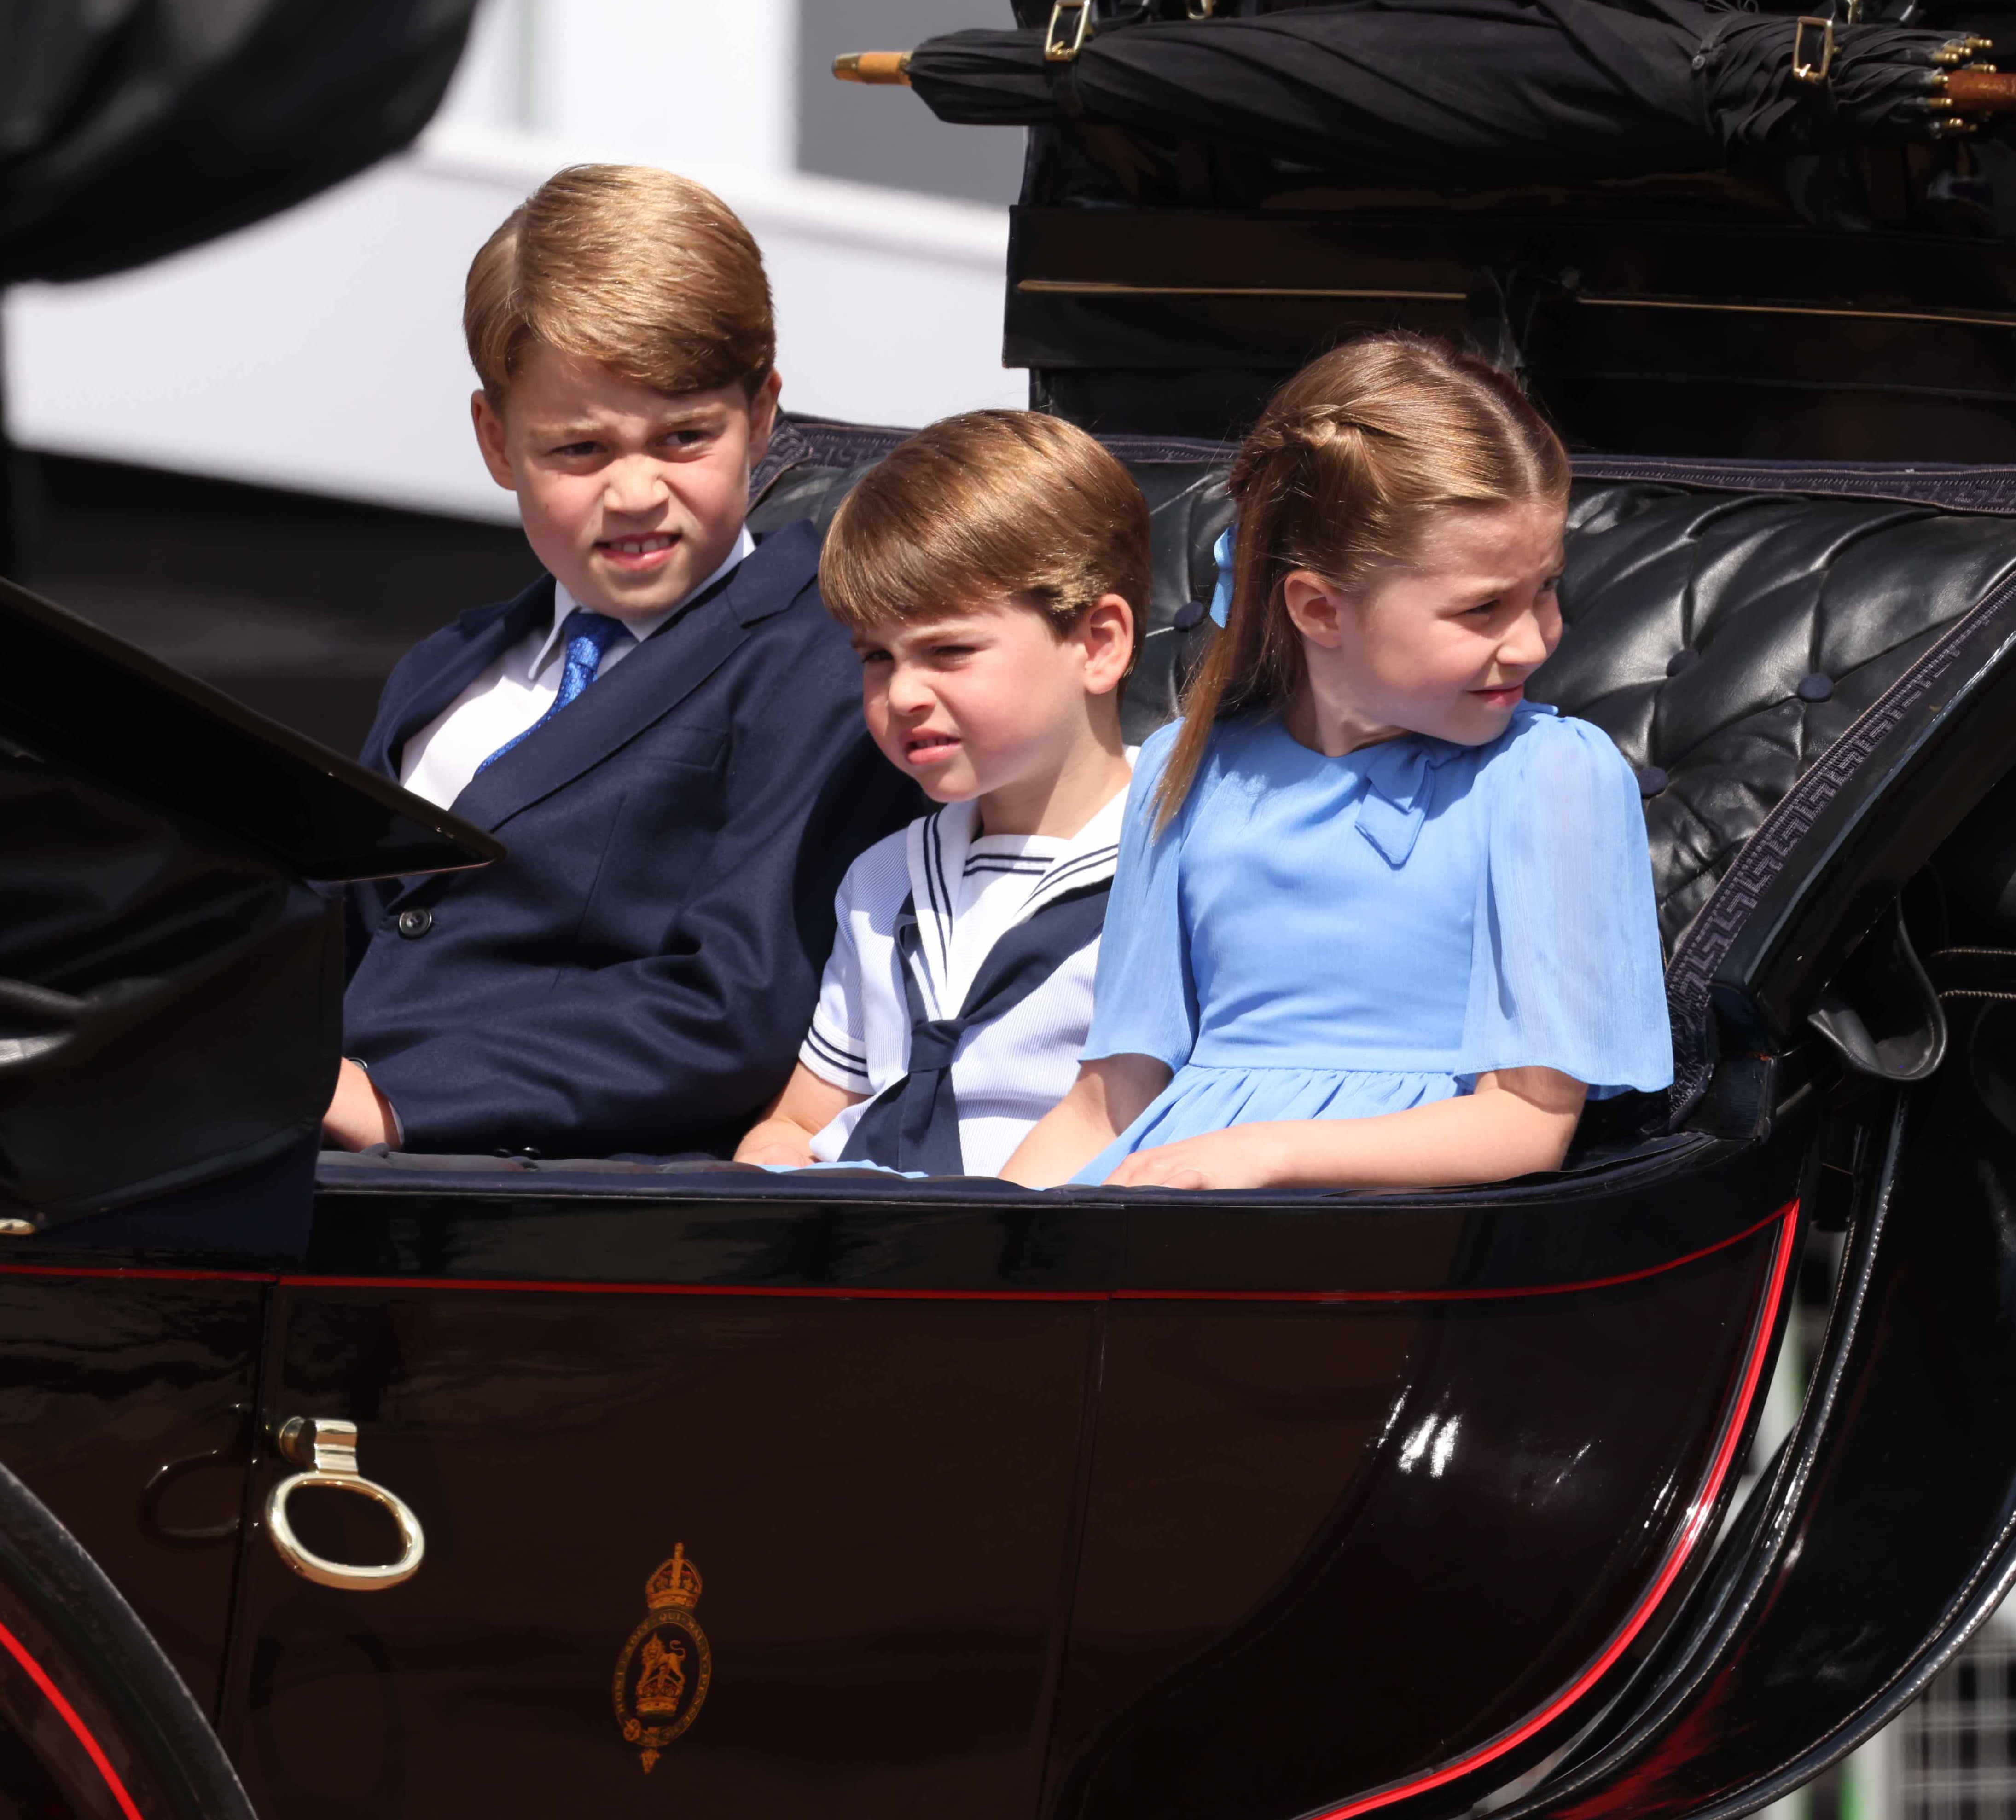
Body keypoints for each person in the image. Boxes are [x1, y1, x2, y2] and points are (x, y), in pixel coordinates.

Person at [326, 165, 918, 1159]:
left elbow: (741, 999)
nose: (638, 490)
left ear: (764, 417)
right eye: (581, 451)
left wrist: (393, 1102)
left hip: (561, 1204)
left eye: (685, 437)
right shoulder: (445, 664)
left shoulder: (831, 655)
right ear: (496, 440)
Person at [1002, 334, 1672, 1192]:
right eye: (1483, 607)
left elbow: (1530, 1119)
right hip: (1167, 1215)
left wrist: (1266, 1153)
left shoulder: (1551, 775)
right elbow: (1109, 1102)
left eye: (1545, 587)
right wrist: (988, 1234)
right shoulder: (1186, 770)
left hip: (1382, 1241)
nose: (1537, 637)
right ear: (1321, 608)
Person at [735, 412, 1146, 1176]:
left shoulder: (1175, 869)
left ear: (1098, 644)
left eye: (948, 650)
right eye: (877, 658)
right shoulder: (881, 881)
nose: (905, 693)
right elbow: (802, 1117)